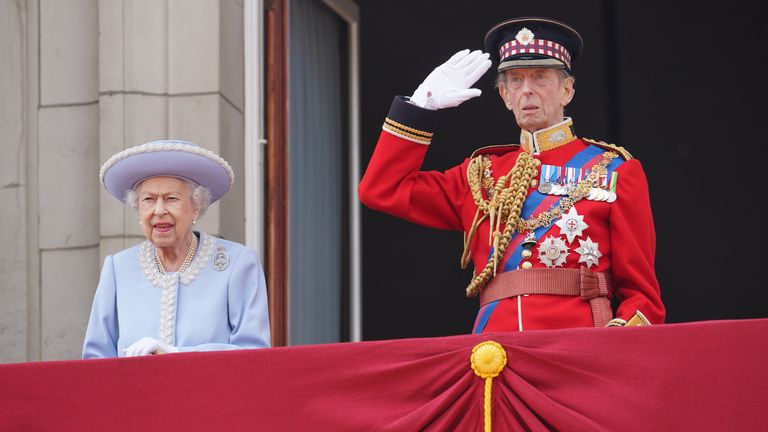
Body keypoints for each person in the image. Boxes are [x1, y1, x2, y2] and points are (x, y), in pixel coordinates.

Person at [359, 17, 665, 333]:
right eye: (515, 81)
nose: (527, 91)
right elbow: (381, 189)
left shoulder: (613, 170)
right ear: (505, 96)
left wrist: (612, 346)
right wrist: (421, 108)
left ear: (567, 90)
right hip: (495, 354)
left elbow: (643, 297)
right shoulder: (480, 175)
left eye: (541, 78)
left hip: (579, 352)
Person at [83, 140, 271, 358]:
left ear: (196, 207)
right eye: (148, 200)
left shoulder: (237, 264)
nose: (159, 210)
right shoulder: (118, 269)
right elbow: (95, 361)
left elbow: (254, 354)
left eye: (171, 199)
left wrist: (174, 354)